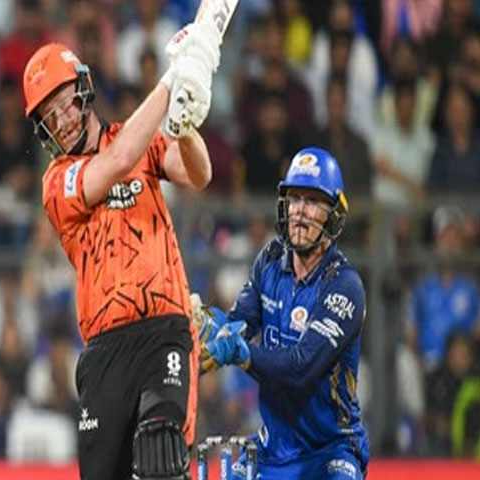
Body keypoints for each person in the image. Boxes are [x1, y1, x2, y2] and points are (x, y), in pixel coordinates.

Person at [21, 18, 220, 480]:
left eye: (64, 103)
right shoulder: (57, 182)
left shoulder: (140, 140)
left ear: (84, 90)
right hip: (104, 351)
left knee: (160, 450)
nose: (62, 120)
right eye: (49, 115)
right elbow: (117, 161)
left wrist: (185, 124)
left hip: (164, 331)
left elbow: (199, 174)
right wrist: (173, 77)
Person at [199, 147, 370, 479]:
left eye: (313, 201)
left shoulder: (344, 285)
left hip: (330, 450)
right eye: (295, 199)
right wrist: (208, 323)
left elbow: (301, 368)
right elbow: (239, 325)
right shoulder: (269, 260)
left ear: (334, 215)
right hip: (272, 450)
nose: (300, 212)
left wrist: (240, 353)